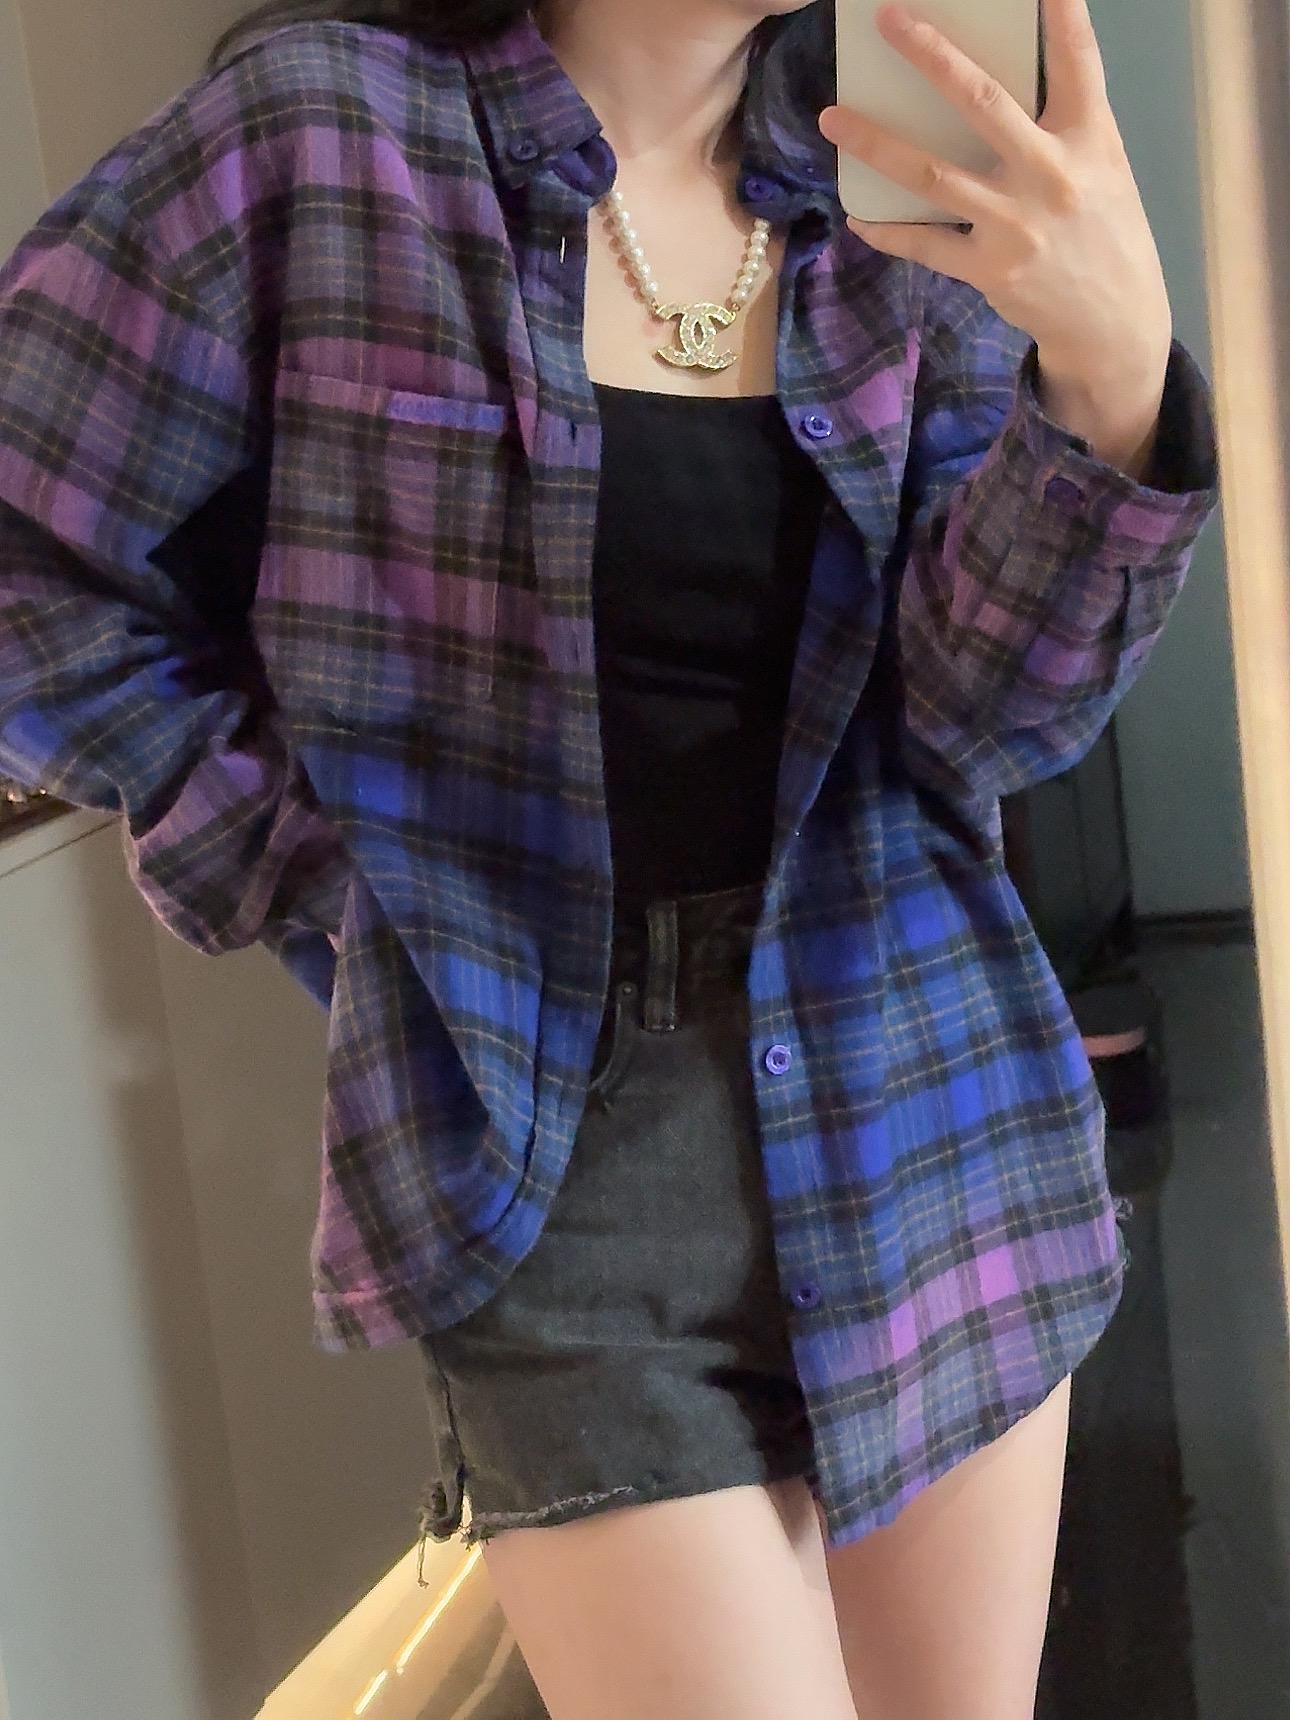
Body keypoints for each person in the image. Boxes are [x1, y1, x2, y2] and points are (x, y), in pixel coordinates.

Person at [0, 0, 1217, 1714]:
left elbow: (987, 719)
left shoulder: (892, 190)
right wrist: (285, 859)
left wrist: (1107, 381)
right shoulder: (318, 141)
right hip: (556, 1158)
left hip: (927, 1092)